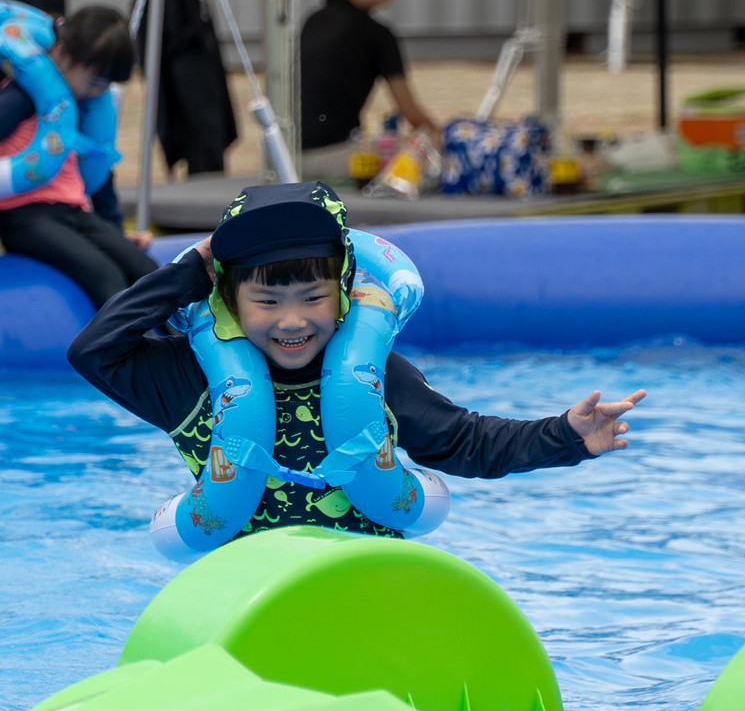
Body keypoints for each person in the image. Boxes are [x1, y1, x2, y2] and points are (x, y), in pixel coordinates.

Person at [67, 180, 645, 545]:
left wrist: (565, 436)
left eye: (312, 298)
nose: (292, 321)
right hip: (246, 599)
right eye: (267, 301)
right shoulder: (187, 378)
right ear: (227, 299)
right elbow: (93, 350)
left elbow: (464, 443)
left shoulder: (376, 377)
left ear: (344, 292)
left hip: (362, 587)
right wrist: (193, 267)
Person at [0, 5, 157, 308]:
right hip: (25, 219)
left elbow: (99, 174)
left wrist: (115, 231)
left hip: (74, 212)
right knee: (105, 275)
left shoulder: (79, 106)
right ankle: (134, 353)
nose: (99, 92)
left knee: (147, 272)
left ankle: (187, 344)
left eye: (107, 85)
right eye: (95, 80)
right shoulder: (21, 98)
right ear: (60, 52)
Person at [300, 0, 441, 180]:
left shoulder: (313, 20)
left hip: (281, 158)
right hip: (333, 158)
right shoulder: (377, 34)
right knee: (424, 152)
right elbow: (413, 115)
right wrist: (446, 139)